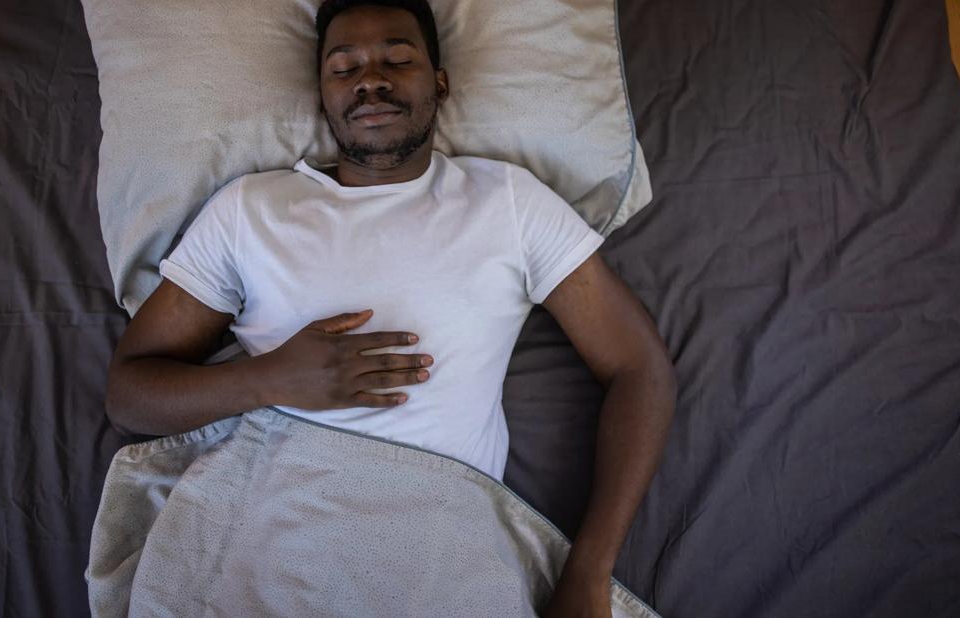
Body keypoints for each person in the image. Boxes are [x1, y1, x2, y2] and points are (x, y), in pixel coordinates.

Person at [105, 0, 676, 615]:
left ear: (439, 82)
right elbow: (130, 395)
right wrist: (269, 379)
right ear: (322, 96)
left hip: (439, 547)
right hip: (269, 538)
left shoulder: (507, 202)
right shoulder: (251, 211)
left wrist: (589, 570)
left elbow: (639, 368)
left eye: (397, 60)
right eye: (343, 68)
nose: (369, 80)